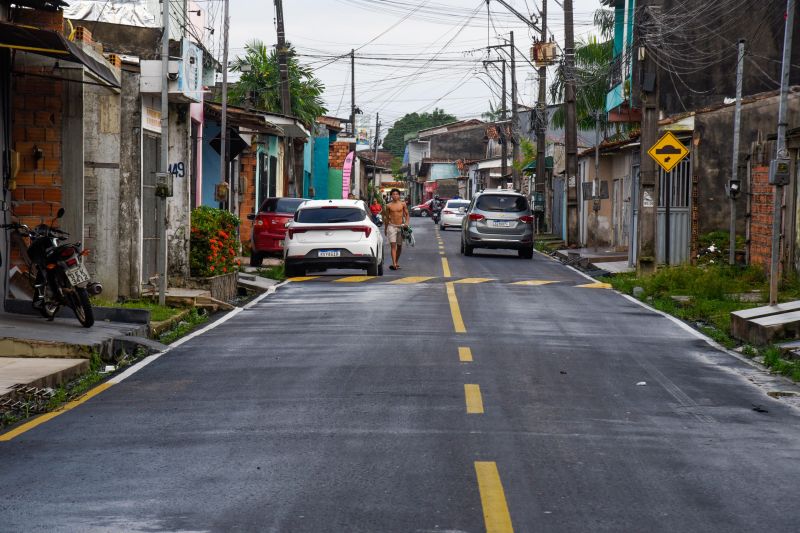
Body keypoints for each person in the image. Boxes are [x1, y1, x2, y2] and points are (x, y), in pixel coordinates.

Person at [384, 188, 409, 270]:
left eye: (396, 194)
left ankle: (396, 262)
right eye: (393, 194)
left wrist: (406, 223)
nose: (395, 195)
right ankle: (394, 263)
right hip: (392, 226)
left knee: (399, 246)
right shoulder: (388, 205)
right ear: (391, 195)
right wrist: (385, 228)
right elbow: (387, 217)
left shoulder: (403, 204)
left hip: (401, 227)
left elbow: (407, 214)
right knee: (393, 245)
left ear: (399, 195)